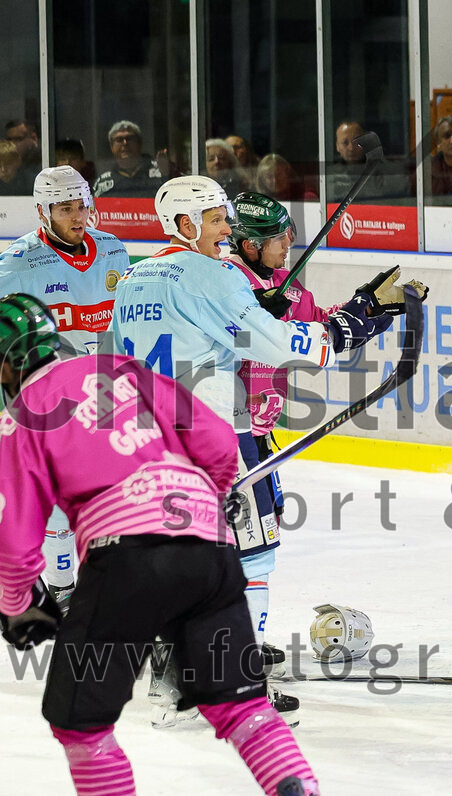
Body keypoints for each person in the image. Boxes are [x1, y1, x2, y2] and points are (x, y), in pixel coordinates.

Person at [108, 175, 420, 726]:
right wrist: (351, 324)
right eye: (216, 220)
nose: (227, 230)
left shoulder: (133, 277)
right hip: (213, 443)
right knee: (254, 557)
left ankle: (174, 683)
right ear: (184, 225)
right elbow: (282, 345)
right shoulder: (213, 273)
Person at [0, 294, 321, 796]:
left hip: (124, 560)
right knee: (242, 708)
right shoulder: (120, 367)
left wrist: (17, 607)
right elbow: (216, 439)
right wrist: (211, 496)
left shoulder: (22, 416)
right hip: (209, 550)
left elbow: (16, 543)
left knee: (82, 725)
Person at [225, 191, 427, 677]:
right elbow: (277, 333)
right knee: (250, 544)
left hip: (255, 437)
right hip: (226, 434)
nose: (289, 244)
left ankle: (234, 638)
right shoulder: (226, 282)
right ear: (248, 245)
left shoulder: (285, 286)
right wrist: (359, 309)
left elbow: (321, 329)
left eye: (290, 233)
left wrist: (373, 308)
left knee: (252, 541)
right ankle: (234, 649)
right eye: (277, 239)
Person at [0, 166, 130, 613]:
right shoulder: (20, 262)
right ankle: (63, 586)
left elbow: (125, 321)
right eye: (65, 208)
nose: (78, 216)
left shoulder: (113, 249)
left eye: (82, 205)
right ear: (42, 211)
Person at [92, 120, 165, 198]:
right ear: (111, 147)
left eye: (130, 138)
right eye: (119, 140)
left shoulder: (161, 172)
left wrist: (166, 173)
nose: (125, 143)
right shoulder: (102, 183)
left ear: (139, 143)